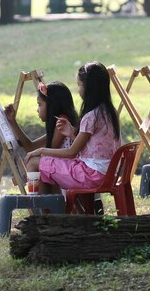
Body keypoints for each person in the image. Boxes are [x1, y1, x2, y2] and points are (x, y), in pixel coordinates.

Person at [24, 61, 122, 194]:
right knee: (43, 162)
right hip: (108, 174)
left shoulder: (91, 116)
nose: (78, 89)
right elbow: (93, 147)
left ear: (89, 88)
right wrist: (71, 134)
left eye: (79, 85)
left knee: (34, 162)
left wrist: (40, 151)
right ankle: (53, 210)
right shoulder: (110, 112)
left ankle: (47, 212)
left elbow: (71, 152)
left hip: (91, 176)